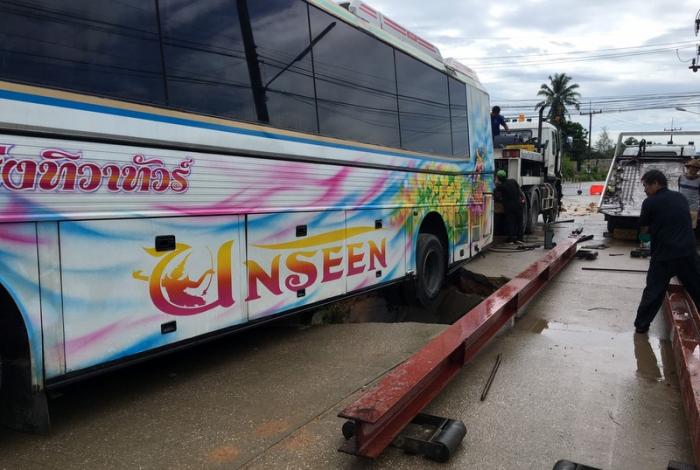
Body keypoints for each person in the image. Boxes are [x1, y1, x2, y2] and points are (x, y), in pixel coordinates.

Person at [633, 169, 700, 334]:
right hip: (687, 253)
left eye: (646, 186)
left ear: (656, 183)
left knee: (654, 291)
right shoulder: (680, 198)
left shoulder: (650, 202)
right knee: (697, 288)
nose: (645, 190)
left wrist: (644, 238)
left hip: (664, 255)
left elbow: (644, 228)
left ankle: (641, 325)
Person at [495, 169, 524, 243]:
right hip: (518, 205)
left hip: (509, 207)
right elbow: (520, 191)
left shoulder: (500, 186)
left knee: (510, 223)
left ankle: (511, 239)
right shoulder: (513, 181)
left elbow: (496, 196)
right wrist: (522, 199)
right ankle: (520, 238)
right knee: (519, 222)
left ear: (498, 178)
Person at [678, 159, 700, 231]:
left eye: (696, 168)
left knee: (691, 229)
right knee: (680, 227)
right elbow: (679, 191)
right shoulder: (681, 177)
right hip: (681, 207)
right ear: (688, 167)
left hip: (693, 209)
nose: (694, 169)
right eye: (692, 167)